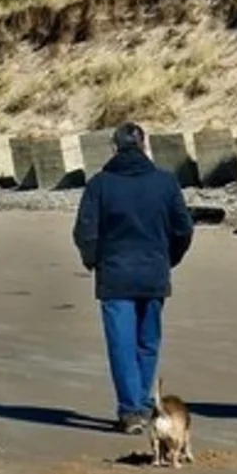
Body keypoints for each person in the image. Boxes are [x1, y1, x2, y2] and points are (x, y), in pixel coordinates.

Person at [72, 122, 196, 434]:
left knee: (122, 343)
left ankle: (132, 410)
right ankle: (139, 403)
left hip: (115, 275)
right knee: (147, 342)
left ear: (114, 148)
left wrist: (93, 261)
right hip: (153, 272)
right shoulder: (165, 183)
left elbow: (85, 231)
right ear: (144, 146)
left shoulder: (100, 184)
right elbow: (183, 229)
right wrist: (169, 260)